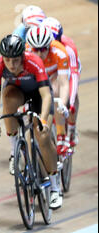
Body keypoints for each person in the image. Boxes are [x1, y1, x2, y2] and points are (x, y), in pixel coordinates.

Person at [0, 34, 62, 209]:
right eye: (7, 60)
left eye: (15, 60)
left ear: (22, 56)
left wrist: (43, 120)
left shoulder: (34, 62)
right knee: (7, 98)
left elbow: (46, 95)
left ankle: (54, 188)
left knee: (42, 137)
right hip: (17, 92)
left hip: (39, 95)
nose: (11, 65)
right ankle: (15, 151)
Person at [26, 25, 71, 156]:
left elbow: (64, 83)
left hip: (53, 76)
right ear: (30, 48)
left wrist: (62, 103)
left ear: (49, 46)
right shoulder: (25, 53)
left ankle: (61, 134)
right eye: (36, 50)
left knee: (55, 91)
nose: (39, 54)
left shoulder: (60, 52)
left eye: (43, 49)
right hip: (37, 78)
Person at [41, 17, 81, 147]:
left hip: (66, 67)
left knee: (68, 93)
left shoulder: (68, 48)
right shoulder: (38, 45)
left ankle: (71, 129)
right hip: (50, 68)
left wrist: (71, 99)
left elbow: (74, 76)